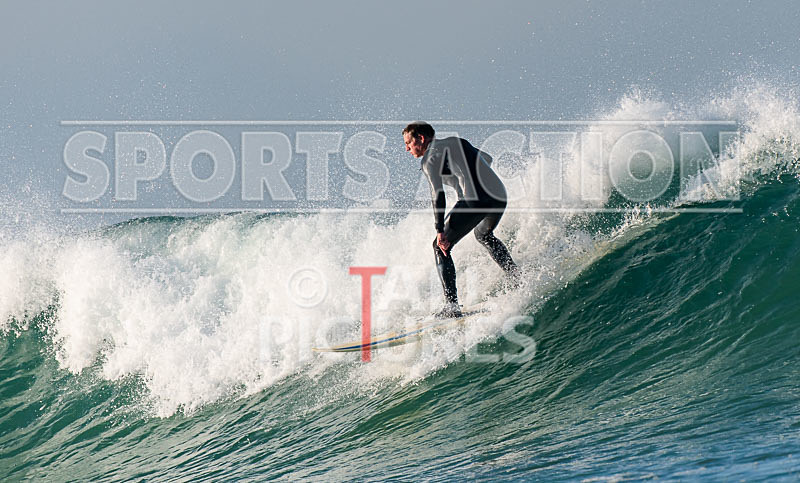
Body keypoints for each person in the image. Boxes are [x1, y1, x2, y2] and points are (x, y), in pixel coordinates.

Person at [403, 121, 520, 318]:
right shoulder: (457, 142)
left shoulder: (429, 158)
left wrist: (440, 229)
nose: (407, 148)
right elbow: (486, 159)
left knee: (439, 246)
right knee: (483, 234)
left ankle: (451, 307)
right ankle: (516, 278)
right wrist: (463, 182)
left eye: (408, 143)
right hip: (498, 195)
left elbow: (437, 194)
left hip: (476, 200)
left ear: (421, 139)